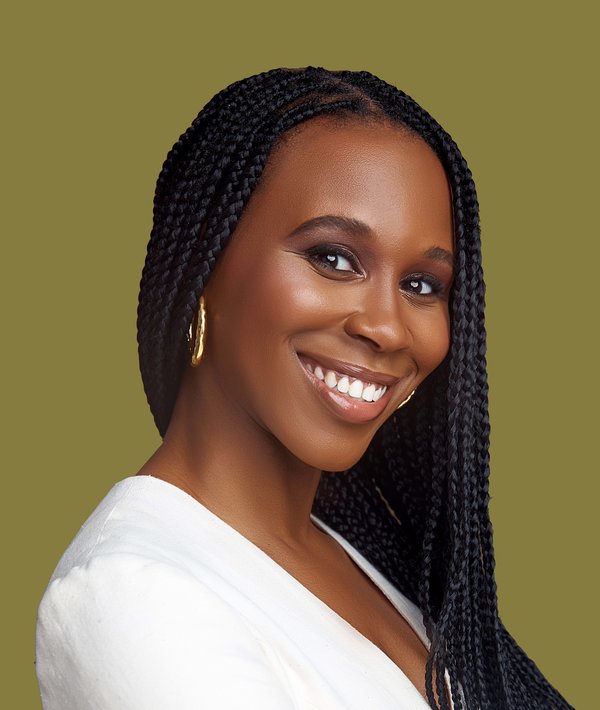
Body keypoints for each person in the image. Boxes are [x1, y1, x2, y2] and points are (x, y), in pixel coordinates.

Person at [35, 67, 572, 710]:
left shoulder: (369, 554)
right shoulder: (131, 596)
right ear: (208, 255)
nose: (386, 327)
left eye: (423, 285)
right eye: (334, 258)